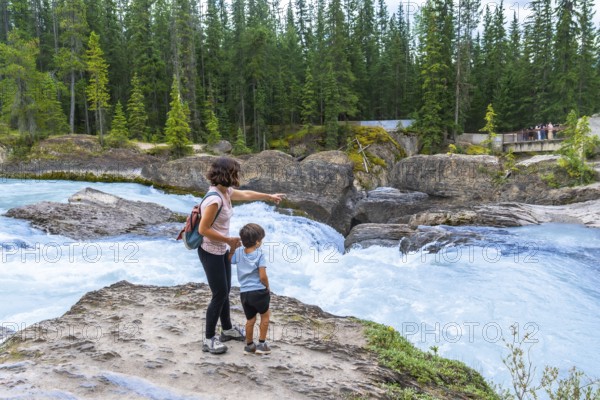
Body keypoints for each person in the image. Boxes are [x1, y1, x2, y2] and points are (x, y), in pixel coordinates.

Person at [198, 157, 284, 355]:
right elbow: (203, 229)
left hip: (222, 250)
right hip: (210, 250)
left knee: (225, 290)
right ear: (228, 174)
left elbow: (245, 194)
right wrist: (228, 240)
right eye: (236, 172)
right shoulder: (214, 199)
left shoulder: (225, 191)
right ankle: (209, 338)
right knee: (219, 294)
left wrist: (268, 196)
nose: (238, 175)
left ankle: (227, 329)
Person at [229, 223, 272, 355]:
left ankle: (249, 346)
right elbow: (262, 276)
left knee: (250, 320)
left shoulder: (239, 252)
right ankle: (262, 344)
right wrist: (267, 286)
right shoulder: (260, 255)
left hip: (245, 293)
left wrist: (232, 248)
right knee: (265, 316)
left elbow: (229, 259)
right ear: (258, 242)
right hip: (259, 291)